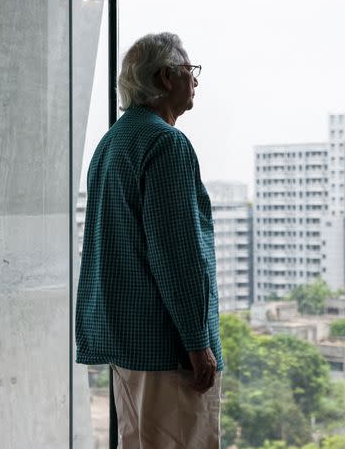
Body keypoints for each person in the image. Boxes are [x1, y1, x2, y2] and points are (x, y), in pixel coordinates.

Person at [75, 32, 223, 448]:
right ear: (166, 77)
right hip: (167, 350)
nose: (195, 82)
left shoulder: (112, 142)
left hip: (127, 342)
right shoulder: (166, 144)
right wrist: (198, 345)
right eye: (189, 72)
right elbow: (177, 254)